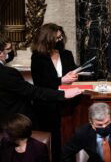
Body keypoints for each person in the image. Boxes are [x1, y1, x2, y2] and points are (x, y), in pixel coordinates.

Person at [0, 34, 82, 125]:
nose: (10, 52)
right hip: (14, 123)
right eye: (8, 49)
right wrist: (63, 94)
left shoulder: (66, 54)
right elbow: (32, 91)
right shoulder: (6, 73)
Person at [30, 23, 78, 162]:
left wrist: (74, 75)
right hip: (46, 105)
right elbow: (40, 84)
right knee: (54, 140)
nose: (59, 40)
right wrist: (61, 80)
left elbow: (72, 71)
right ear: (46, 39)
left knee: (69, 136)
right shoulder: (37, 57)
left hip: (68, 102)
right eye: (56, 38)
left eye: (60, 37)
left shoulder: (66, 54)